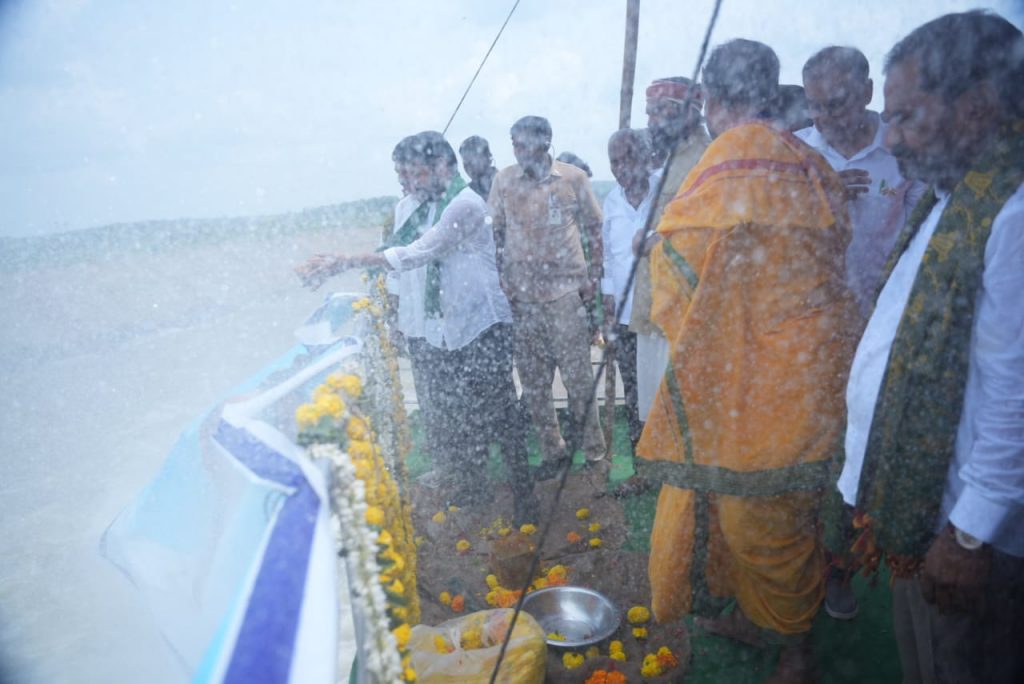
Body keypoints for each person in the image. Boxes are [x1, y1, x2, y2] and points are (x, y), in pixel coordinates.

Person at [636, 40, 858, 682]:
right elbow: (828, 252)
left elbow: (679, 272)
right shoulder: (806, 157)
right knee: (788, 510)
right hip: (810, 368)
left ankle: (795, 650)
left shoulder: (731, 154)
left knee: (759, 516)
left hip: (750, 378)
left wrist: (659, 249)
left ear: (711, 100)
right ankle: (762, 621)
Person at [829, 11, 1024, 683]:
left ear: (976, 107)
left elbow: (1014, 394)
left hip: (968, 532)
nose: (891, 137)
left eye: (907, 116)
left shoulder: (1012, 210)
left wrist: (970, 533)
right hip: (929, 511)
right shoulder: (954, 197)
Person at [298, 131, 539, 524]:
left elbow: (416, 253)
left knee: (500, 415)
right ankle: (472, 492)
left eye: (413, 172)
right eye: (402, 173)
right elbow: (400, 271)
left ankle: (526, 500)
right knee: (453, 415)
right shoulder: (408, 207)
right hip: (436, 329)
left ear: (441, 166)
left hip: (480, 324)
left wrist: (346, 260)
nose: (406, 182)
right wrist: (395, 315)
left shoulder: (465, 204)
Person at [489, 115, 607, 486]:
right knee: (535, 385)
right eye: (514, 145)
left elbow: (595, 228)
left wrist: (594, 277)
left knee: (578, 380)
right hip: (522, 301)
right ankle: (553, 452)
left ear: (546, 143)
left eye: (525, 144)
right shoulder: (504, 181)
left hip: (565, 295)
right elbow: (494, 233)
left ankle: (595, 454)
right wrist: (501, 281)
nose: (519, 152)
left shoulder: (573, 179)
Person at [614, 76, 710, 498]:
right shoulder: (667, 158)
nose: (652, 120)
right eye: (649, 112)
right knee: (653, 400)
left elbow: (708, 228)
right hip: (655, 298)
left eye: (662, 111)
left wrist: (659, 240)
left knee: (684, 401)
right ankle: (661, 478)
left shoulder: (707, 157)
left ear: (691, 111)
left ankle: (689, 488)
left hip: (687, 303)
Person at [797, 46, 925, 320]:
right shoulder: (792, 152)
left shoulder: (906, 147)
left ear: (867, 92)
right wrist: (818, 199)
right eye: (813, 105)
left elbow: (922, 235)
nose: (822, 117)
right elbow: (774, 235)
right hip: (813, 315)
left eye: (835, 104)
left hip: (887, 308)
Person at [600, 129, 656, 452]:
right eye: (614, 162)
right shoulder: (611, 200)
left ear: (646, 158)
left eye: (628, 159)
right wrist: (608, 300)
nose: (621, 168)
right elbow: (609, 256)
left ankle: (669, 461)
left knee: (661, 387)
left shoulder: (663, 193)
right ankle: (641, 459)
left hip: (658, 312)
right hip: (625, 315)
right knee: (633, 390)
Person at [458, 135, 498, 200]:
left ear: (487, 156)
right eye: (465, 163)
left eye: (471, 161)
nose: (468, 167)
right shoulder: (466, 193)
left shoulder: (505, 183)